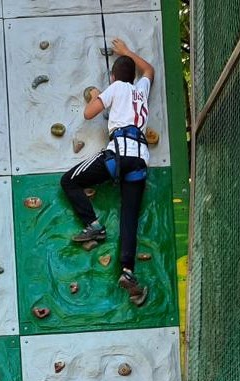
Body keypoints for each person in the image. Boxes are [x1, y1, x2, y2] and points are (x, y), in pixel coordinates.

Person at [61, 37, 154, 305]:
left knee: (69, 181)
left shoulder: (116, 88)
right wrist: (126, 51)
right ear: (131, 75)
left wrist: (96, 95)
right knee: (129, 217)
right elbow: (149, 71)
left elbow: (90, 113)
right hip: (140, 160)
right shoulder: (141, 89)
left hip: (118, 154)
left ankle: (93, 225)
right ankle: (128, 273)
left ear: (114, 76)